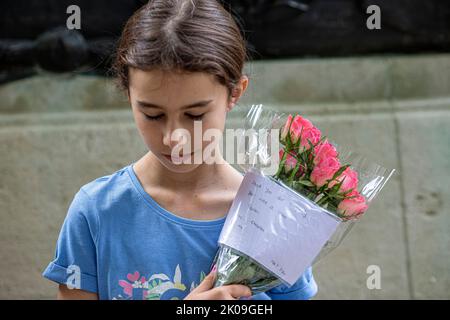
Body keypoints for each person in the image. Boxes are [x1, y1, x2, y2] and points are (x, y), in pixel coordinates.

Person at [42, 0, 318, 300]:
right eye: (153, 115)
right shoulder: (96, 211)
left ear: (235, 93)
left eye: (195, 114)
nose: (174, 138)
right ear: (128, 94)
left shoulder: (271, 219)